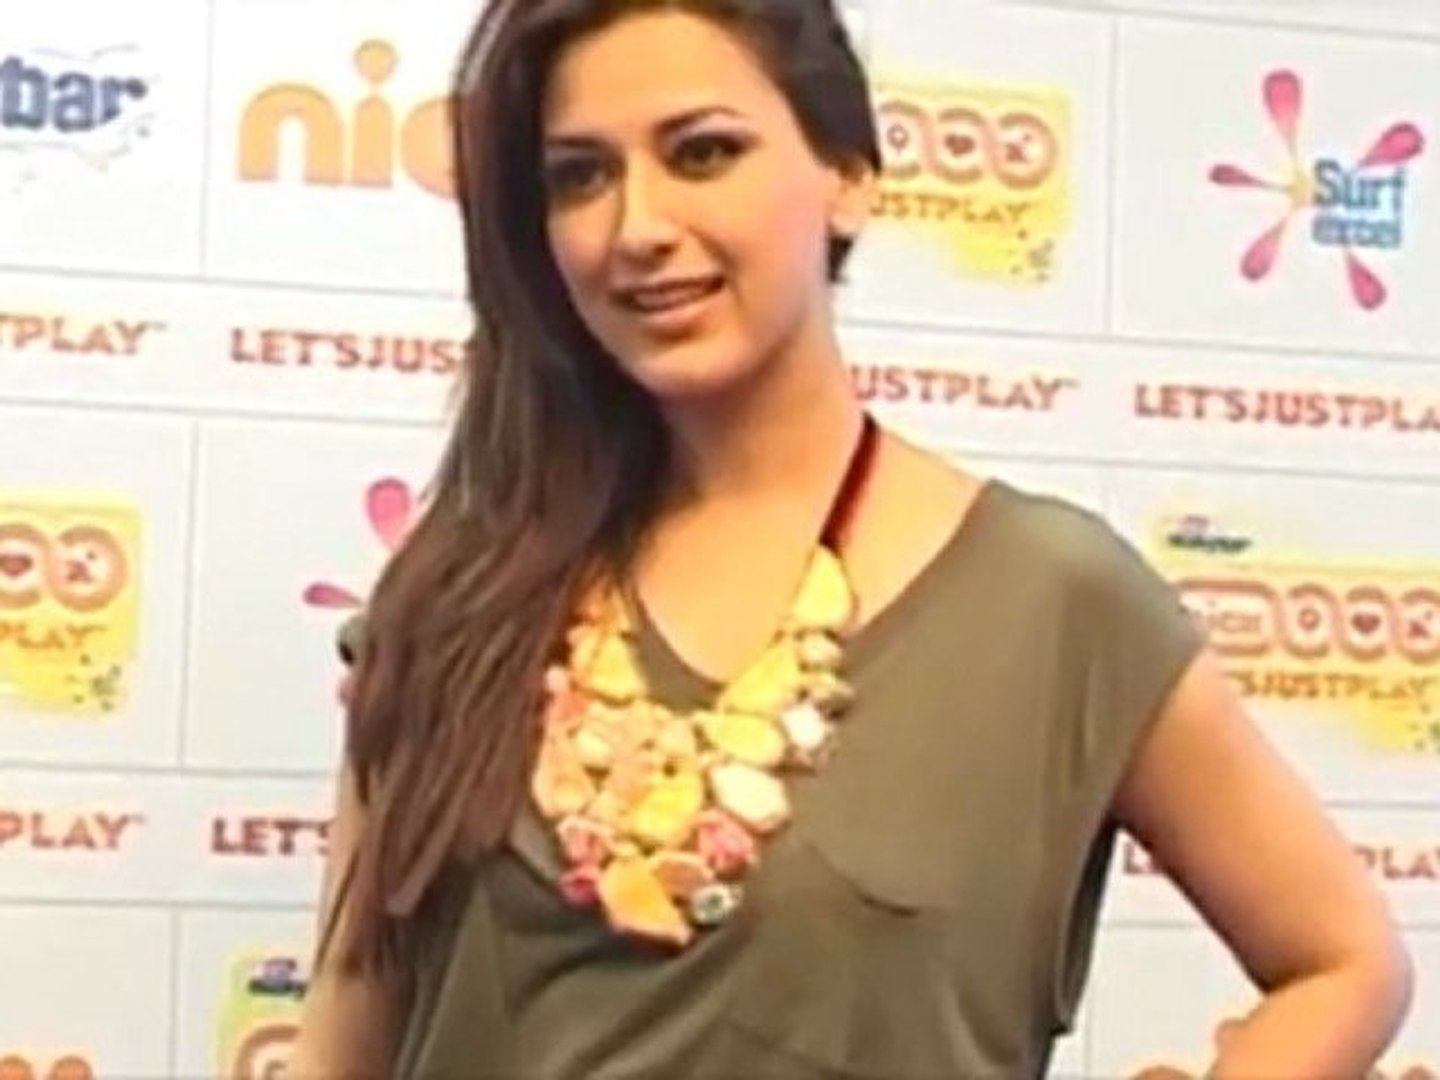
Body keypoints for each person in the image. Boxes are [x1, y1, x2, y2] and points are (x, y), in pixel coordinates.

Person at [290, 1, 1414, 1076]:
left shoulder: (1052, 601)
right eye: (580, 176)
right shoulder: (460, 599)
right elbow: (339, 1048)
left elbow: (1345, 965)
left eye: (702, 153)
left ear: (849, 177)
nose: (638, 228)